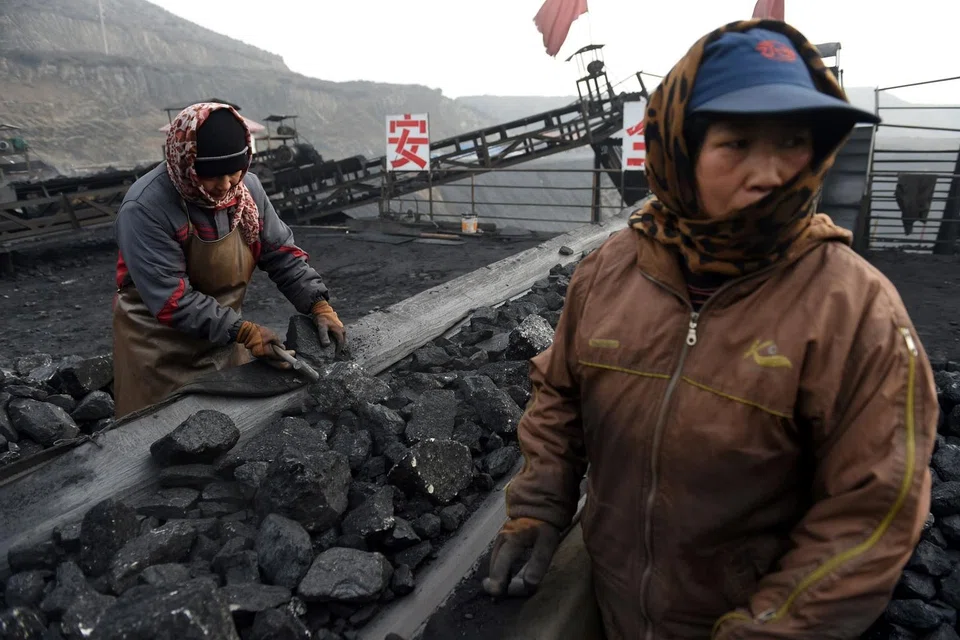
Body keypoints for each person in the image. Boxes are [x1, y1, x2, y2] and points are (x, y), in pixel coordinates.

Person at [483, 20, 939, 639]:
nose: (770, 172)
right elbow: (560, 397)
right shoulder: (610, 272)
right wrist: (538, 508)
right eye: (738, 143)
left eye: (793, 142)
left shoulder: (857, 311)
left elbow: (872, 510)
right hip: (617, 608)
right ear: (680, 147)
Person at [112, 102, 346, 418]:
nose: (225, 186)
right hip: (160, 348)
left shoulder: (247, 190)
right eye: (211, 176)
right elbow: (171, 300)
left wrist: (318, 303)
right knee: (161, 430)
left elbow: (280, 253)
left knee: (228, 424)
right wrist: (244, 331)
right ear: (186, 164)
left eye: (234, 172)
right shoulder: (146, 207)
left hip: (224, 335)